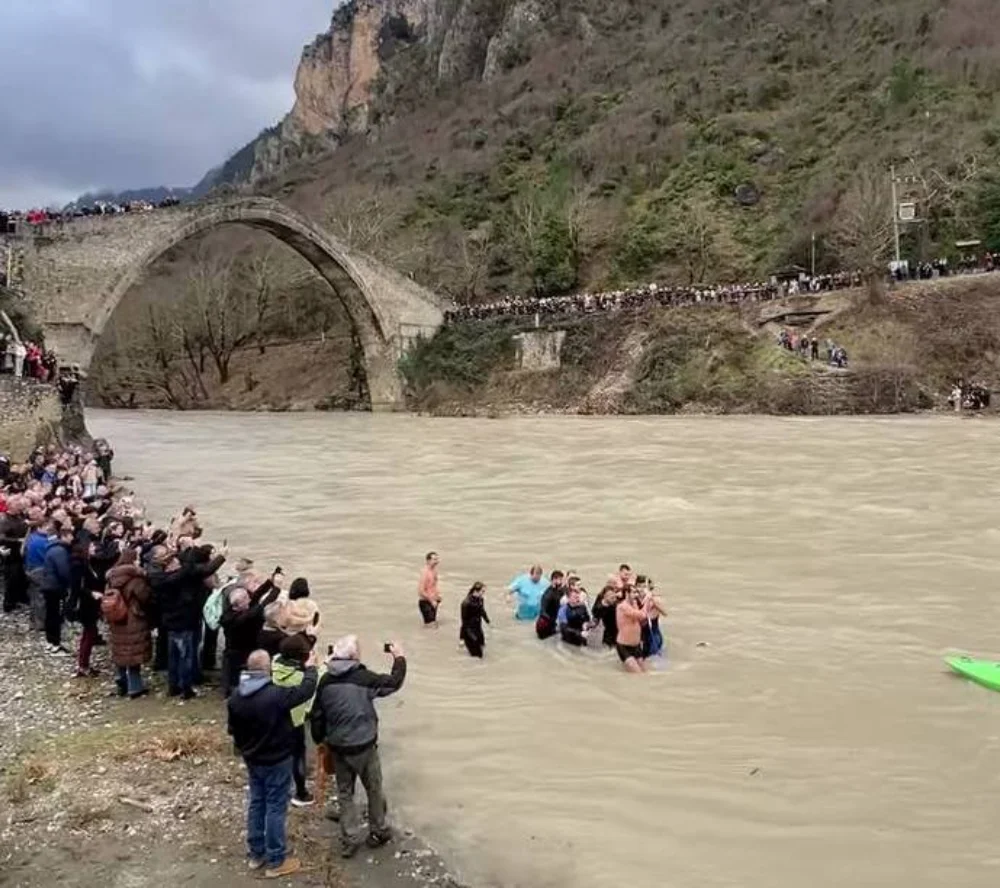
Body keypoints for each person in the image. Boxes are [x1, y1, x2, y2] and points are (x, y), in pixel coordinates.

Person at [311, 635, 406, 859]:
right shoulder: (364, 678)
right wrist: (399, 657)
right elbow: (394, 682)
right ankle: (378, 830)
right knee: (373, 787)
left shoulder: (325, 681)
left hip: (338, 745)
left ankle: (349, 838)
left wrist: (321, 741)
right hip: (364, 745)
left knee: (345, 791)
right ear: (354, 656)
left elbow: (317, 715)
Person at [228, 648, 319, 878]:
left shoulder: (236, 697)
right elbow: (305, 691)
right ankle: (276, 860)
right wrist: (311, 668)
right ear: (267, 669)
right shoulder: (275, 695)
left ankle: (256, 854)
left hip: (253, 758)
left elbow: (233, 731)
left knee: (257, 803)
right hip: (277, 759)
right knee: (275, 807)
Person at [148, 544, 226, 699]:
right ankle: (186, 689)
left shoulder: (158, 578)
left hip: (171, 622)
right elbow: (200, 570)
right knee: (186, 656)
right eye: (175, 562)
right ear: (169, 566)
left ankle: (173, 686)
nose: (178, 564)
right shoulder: (176, 578)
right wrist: (222, 556)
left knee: (174, 656)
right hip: (184, 621)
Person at [272, 633, 318, 807]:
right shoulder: (299, 679)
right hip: (294, 721)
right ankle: (301, 793)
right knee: (298, 756)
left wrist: (311, 637)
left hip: (275, 719)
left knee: (280, 755)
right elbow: (311, 686)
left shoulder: (275, 662)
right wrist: (314, 667)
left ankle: (278, 785)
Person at [220, 574, 282, 697]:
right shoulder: (243, 619)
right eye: (246, 599)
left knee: (231, 674)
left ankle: (230, 691)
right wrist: (277, 589)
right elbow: (262, 606)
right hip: (242, 651)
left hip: (232, 650)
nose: (250, 599)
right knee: (236, 679)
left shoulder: (230, 611)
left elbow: (254, 597)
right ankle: (237, 695)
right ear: (240, 604)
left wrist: (269, 582)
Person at [105, 548, 153, 697]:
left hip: (116, 617)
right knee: (133, 653)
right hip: (133, 618)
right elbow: (145, 597)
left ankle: (121, 681)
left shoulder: (111, 577)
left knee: (120, 650)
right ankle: (135, 687)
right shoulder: (136, 579)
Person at [39, 524, 74, 656]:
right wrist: (71, 583)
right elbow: (64, 571)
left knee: (50, 614)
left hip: (48, 586)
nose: (72, 539)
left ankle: (50, 642)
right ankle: (55, 644)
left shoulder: (52, 549)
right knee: (55, 616)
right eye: (70, 536)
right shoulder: (60, 551)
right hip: (56, 587)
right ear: (64, 536)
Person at [615, 586, 648, 674]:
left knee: (645, 673)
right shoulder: (622, 606)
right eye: (634, 592)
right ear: (627, 593)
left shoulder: (634, 604)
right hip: (624, 646)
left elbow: (641, 619)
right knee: (638, 675)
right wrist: (647, 601)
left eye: (636, 592)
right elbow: (642, 615)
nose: (636, 595)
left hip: (636, 645)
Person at [459, 582, 490, 658]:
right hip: (469, 632)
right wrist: (461, 638)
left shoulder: (480, 600)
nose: (483, 593)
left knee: (482, 648)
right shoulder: (466, 603)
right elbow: (464, 621)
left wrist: (488, 621)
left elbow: (482, 611)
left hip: (478, 629)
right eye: (482, 591)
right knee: (477, 656)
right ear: (476, 591)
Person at [535, 569, 565, 639]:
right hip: (547, 625)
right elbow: (542, 611)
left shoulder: (560, 591)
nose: (561, 582)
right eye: (560, 580)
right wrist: (555, 622)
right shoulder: (548, 594)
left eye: (562, 580)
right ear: (554, 580)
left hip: (555, 621)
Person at [591, 584, 622, 649]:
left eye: (614, 596)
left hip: (616, 629)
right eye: (611, 597)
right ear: (605, 596)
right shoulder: (599, 608)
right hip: (608, 632)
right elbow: (595, 619)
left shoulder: (614, 602)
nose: (614, 599)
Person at [417, 551, 441, 627]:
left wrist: (437, 595)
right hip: (425, 602)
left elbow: (434, 585)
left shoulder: (434, 571)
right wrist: (431, 600)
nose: (436, 561)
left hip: (433, 601)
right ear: (428, 561)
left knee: (434, 624)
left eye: (437, 559)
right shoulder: (424, 572)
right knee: (431, 625)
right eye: (434, 559)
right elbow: (421, 591)